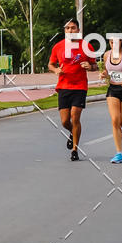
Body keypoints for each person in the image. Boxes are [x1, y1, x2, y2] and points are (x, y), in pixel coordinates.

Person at [48, 18, 98, 161]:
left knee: (75, 116)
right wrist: (56, 70)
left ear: (78, 30)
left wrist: (90, 67)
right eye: (68, 28)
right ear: (64, 30)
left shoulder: (86, 46)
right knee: (65, 121)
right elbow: (50, 64)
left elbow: (95, 65)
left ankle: (75, 150)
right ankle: (73, 133)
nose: (70, 30)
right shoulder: (58, 46)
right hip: (63, 86)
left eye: (73, 28)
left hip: (80, 86)